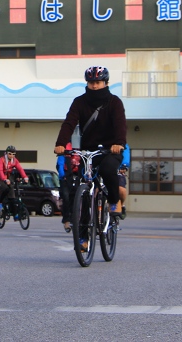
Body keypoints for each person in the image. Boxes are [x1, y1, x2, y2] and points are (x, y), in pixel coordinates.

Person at [54, 66, 127, 237]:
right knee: (82, 190)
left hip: (111, 150)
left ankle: (114, 201)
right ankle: (83, 237)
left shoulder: (114, 102)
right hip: (89, 151)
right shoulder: (80, 102)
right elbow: (69, 123)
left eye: (98, 82)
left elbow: (120, 124)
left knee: (108, 169)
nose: (94, 86)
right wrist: (60, 143)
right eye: (91, 82)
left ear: (105, 83)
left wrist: (119, 143)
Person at [0, 145, 29, 219]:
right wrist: (4, 179)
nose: (11, 155)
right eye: (10, 154)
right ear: (6, 153)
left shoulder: (15, 160)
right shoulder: (2, 160)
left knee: (12, 197)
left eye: (13, 154)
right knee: (6, 189)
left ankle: (15, 214)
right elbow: (0, 170)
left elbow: (20, 169)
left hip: (8, 179)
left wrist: (25, 177)